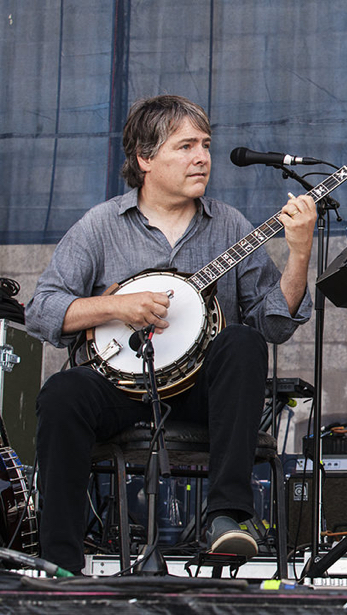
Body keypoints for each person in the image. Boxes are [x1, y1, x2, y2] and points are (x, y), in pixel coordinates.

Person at [25, 95, 316, 575]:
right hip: (122, 389)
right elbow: (41, 311)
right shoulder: (100, 226)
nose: (202, 156)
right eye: (185, 146)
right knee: (62, 393)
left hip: (202, 392)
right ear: (145, 159)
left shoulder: (229, 225)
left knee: (243, 341)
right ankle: (61, 567)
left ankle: (227, 517)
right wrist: (116, 305)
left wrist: (299, 254)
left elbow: (272, 323)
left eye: (205, 144)